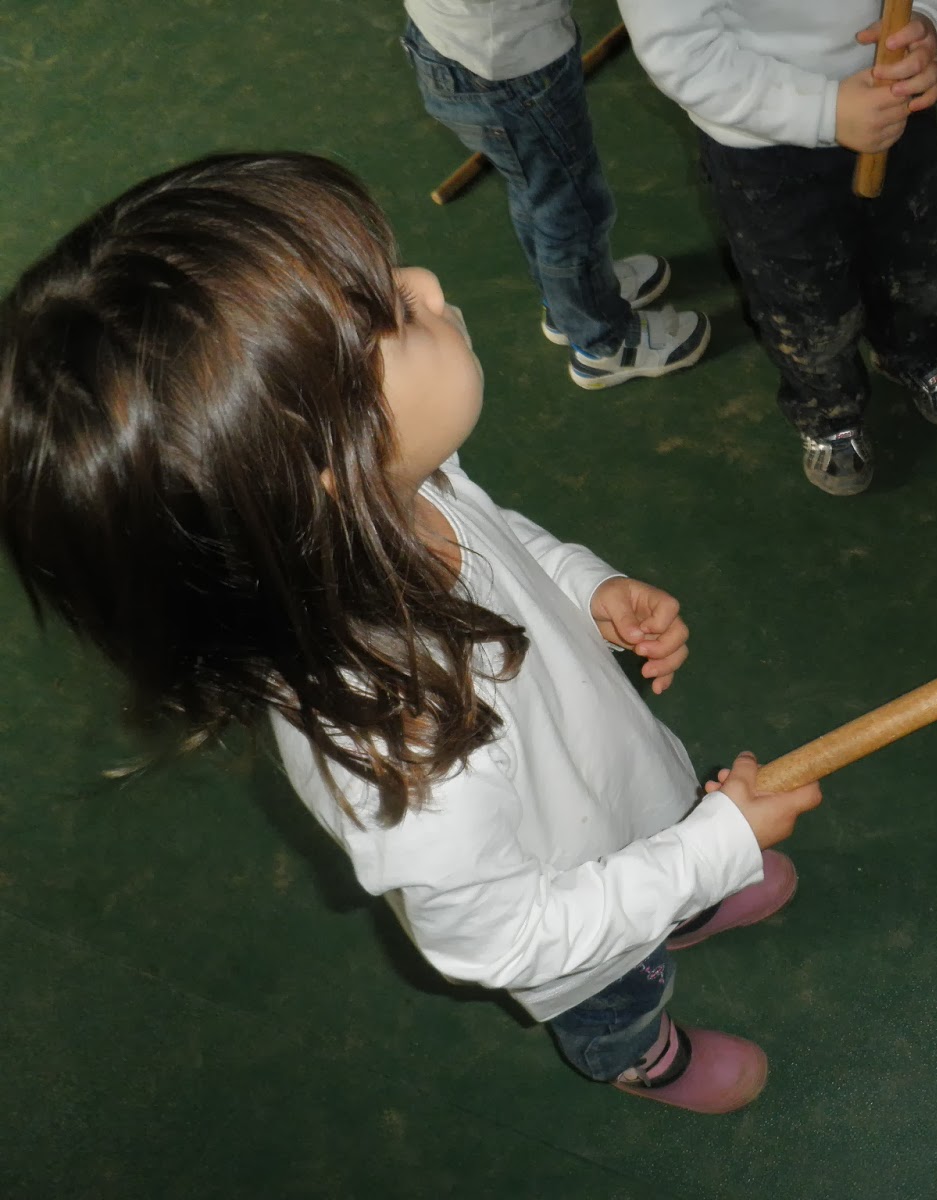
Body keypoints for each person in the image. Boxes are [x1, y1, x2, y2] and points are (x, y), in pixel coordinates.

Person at [0, 152, 822, 1114]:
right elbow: (505, 937)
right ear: (324, 467)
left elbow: (500, 538)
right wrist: (717, 846)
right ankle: (639, 1054)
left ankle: (682, 899)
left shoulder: (393, 494)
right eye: (390, 308)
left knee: (667, 840)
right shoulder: (398, 741)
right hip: (571, 927)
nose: (426, 282)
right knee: (617, 992)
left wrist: (586, 588)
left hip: (615, 791)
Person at [617, 0, 937, 495]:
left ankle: (916, 351)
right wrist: (826, 110)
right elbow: (681, 52)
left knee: (918, 257)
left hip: (895, 99)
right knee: (804, 303)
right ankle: (829, 410)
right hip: (764, 143)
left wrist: (929, 20)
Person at [402, 0, 710, 389]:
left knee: (537, 190)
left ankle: (572, 304)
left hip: (448, 46)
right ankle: (604, 343)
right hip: (512, 67)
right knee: (574, 211)